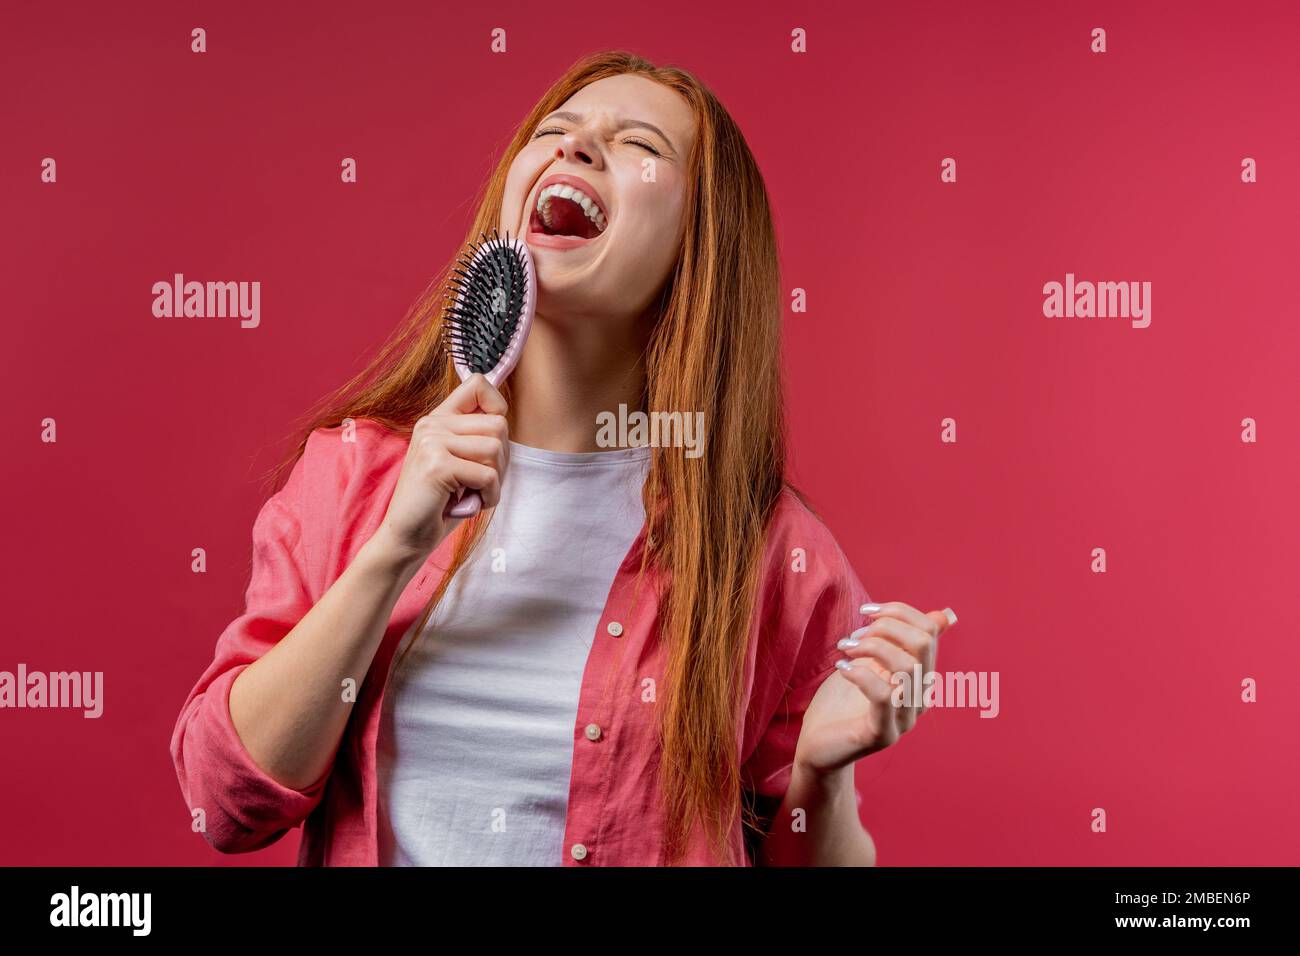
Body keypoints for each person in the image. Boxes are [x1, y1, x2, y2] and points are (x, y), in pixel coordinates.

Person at [170, 49, 958, 867]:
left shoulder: (772, 551)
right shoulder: (351, 475)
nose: (575, 149)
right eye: (556, 131)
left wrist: (824, 780)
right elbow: (226, 802)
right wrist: (394, 550)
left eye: (639, 146)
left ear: (702, 242)